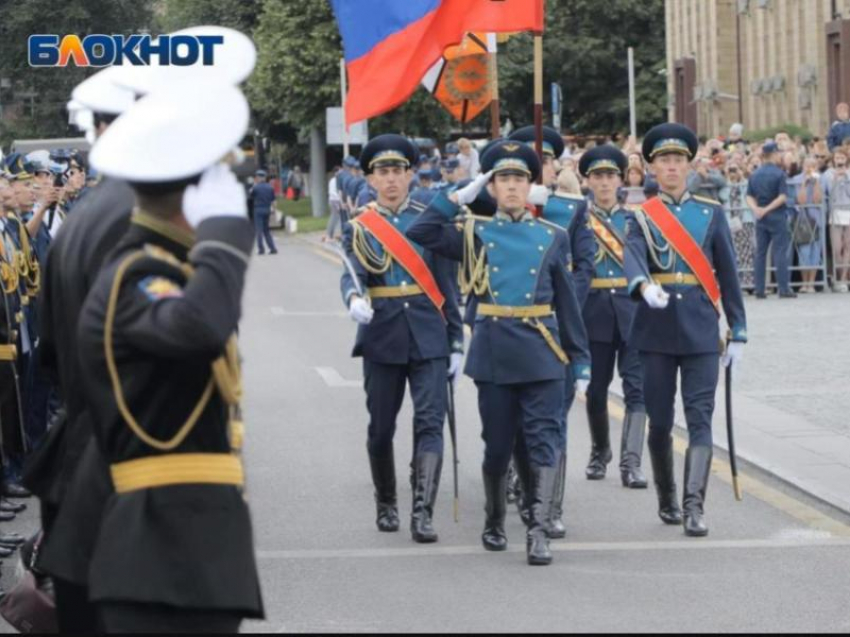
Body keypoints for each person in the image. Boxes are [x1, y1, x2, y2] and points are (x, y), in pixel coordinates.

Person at [79, 81, 263, 633]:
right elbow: (200, 327)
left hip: (187, 543)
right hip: (160, 549)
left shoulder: (163, 269)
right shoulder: (136, 275)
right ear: (191, 198)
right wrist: (224, 236)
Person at [407, 140, 591, 566]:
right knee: (498, 446)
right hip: (494, 351)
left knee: (543, 442)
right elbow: (419, 234)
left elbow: (567, 303)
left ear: (531, 186)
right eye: (503, 179)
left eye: (519, 179)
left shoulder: (553, 236)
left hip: (543, 351)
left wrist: (580, 359)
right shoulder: (475, 231)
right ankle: (494, 518)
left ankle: (538, 530)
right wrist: (455, 198)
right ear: (491, 187)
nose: (511, 186)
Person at [32, 67, 137, 634]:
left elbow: (49, 358)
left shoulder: (79, 221)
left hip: (78, 465)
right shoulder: (144, 219)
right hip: (133, 480)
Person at [625, 123, 747, 537]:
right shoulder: (641, 218)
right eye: (664, 161)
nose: (672, 167)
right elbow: (634, 258)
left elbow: (728, 276)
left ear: (689, 165)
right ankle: (667, 496)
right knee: (659, 421)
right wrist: (642, 286)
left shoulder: (709, 213)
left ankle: (694, 505)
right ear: (653, 168)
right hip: (655, 330)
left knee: (700, 417)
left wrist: (739, 329)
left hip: (698, 328)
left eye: (678, 160)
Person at [340, 134, 463, 544]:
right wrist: (353, 297)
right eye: (382, 172)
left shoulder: (429, 218)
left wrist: (457, 340)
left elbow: (447, 285)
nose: (391, 179)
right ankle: (387, 501)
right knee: (381, 427)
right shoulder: (360, 225)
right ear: (370, 178)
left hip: (429, 334)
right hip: (383, 334)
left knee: (431, 422)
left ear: (411, 174)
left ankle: (422, 511)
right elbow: (351, 272)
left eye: (398, 171)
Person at [508, 124, 594, 538]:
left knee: (553, 422)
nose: (537, 166)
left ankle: (550, 506)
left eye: (543, 159)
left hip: (554, 328)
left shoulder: (571, 209)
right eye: (529, 160)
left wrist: (563, 308)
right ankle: (521, 481)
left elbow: (584, 265)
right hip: (509, 329)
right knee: (514, 422)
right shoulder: (496, 211)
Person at [578, 145, 647, 488]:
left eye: (610, 176)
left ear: (620, 179)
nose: (604, 183)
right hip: (595, 311)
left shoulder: (635, 219)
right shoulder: (579, 220)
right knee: (596, 389)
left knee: (637, 389)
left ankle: (631, 462)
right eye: (597, 176)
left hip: (633, 309)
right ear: (587, 181)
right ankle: (599, 449)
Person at [747, 141, 796, 298]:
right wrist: (767, 209)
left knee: (760, 253)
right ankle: (783, 288)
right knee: (780, 252)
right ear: (774, 154)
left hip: (761, 217)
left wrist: (757, 209)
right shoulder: (779, 173)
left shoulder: (755, 174)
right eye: (778, 153)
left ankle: (759, 289)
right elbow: (782, 197)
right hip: (777, 215)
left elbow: (748, 196)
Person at [720, 162, 756, 290]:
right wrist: (728, 179)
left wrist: (741, 179)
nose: (733, 172)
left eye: (736, 170)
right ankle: (735, 281)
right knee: (732, 251)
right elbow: (723, 196)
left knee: (746, 251)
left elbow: (747, 194)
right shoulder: (725, 185)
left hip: (745, 220)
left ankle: (748, 281)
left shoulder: (746, 184)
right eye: (732, 170)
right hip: (730, 221)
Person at [795, 156, 824, 293]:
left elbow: (817, 200)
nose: (810, 168)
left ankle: (811, 283)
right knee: (804, 252)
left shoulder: (821, 179)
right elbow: (801, 200)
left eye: (813, 165)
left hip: (817, 219)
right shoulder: (796, 179)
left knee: (815, 252)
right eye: (807, 165)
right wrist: (804, 184)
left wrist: (816, 182)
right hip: (802, 219)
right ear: (803, 166)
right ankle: (804, 282)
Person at [824, 149, 850, 291]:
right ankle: (839, 275)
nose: (840, 159)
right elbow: (827, 193)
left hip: (848, 211)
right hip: (834, 212)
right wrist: (835, 180)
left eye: (842, 157)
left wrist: (846, 177)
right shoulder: (828, 174)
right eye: (837, 157)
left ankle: (843, 279)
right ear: (833, 159)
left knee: (847, 248)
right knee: (836, 248)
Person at [250, 170, 278, 255]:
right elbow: (274, 201)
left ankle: (261, 249)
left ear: (258, 178)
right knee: (266, 230)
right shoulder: (270, 187)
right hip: (267, 210)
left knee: (259, 230)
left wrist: (254, 185)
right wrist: (274, 210)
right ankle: (272, 248)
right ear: (265, 178)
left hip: (258, 210)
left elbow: (251, 195)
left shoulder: (256, 187)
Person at [324, 166, 343, 242]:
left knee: (337, 218)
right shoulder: (334, 181)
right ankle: (329, 235)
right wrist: (339, 200)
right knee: (334, 218)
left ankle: (333, 234)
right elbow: (333, 192)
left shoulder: (335, 180)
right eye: (340, 171)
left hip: (334, 200)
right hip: (335, 201)